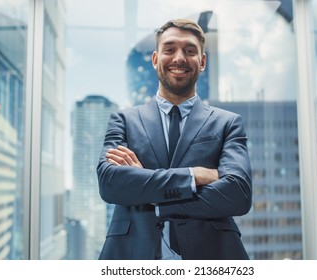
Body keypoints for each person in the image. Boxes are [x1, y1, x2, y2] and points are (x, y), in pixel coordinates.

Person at [96, 18, 252, 260]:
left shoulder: (228, 123)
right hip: (132, 255)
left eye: (190, 51)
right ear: (156, 59)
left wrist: (150, 194)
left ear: (202, 62)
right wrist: (193, 176)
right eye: (169, 49)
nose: (179, 58)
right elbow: (110, 184)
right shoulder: (124, 120)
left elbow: (237, 194)